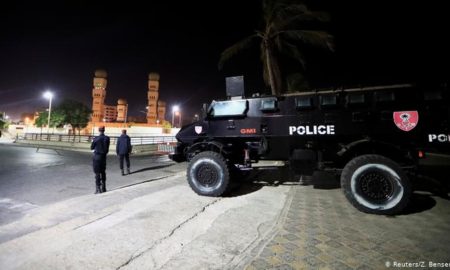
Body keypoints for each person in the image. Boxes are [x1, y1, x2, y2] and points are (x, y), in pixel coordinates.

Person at [91, 126, 110, 194]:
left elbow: (92, 147)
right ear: (104, 130)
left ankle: (98, 188)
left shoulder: (96, 138)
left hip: (97, 157)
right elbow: (107, 148)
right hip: (103, 157)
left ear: (99, 130)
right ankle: (104, 187)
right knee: (103, 172)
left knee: (97, 173)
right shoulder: (107, 138)